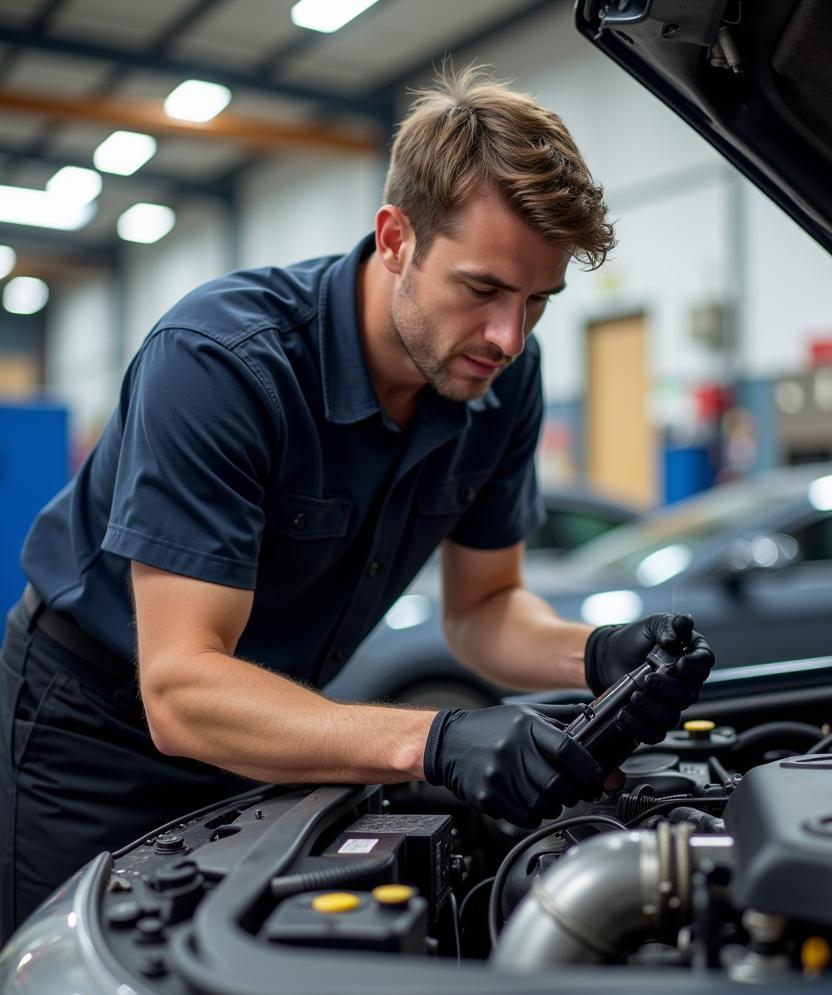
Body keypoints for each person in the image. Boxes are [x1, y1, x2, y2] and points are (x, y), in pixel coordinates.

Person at [0, 67, 713, 942]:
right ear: (396, 237)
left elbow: (483, 612)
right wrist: (435, 740)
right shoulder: (223, 362)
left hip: (275, 730)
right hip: (96, 735)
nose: (510, 336)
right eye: (484, 288)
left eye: (538, 301)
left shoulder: (500, 379)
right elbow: (182, 689)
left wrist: (596, 653)